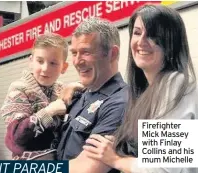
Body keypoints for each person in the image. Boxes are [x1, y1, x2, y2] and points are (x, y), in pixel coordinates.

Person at [83, 4, 198, 173]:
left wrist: (116, 159)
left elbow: (163, 169)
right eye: (137, 32)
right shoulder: (148, 90)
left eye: (153, 34)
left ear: (171, 42)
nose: (141, 41)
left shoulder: (175, 84)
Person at [56, 18, 129, 173]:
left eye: (86, 52)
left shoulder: (120, 103)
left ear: (112, 54)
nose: (76, 61)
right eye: (74, 53)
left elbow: (87, 169)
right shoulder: (82, 94)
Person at [1, 33, 83, 160]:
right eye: (40, 61)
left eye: (53, 63)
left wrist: (73, 87)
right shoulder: (18, 89)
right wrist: (49, 111)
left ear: (64, 67)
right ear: (31, 62)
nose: (45, 68)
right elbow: (16, 137)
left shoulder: (62, 89)